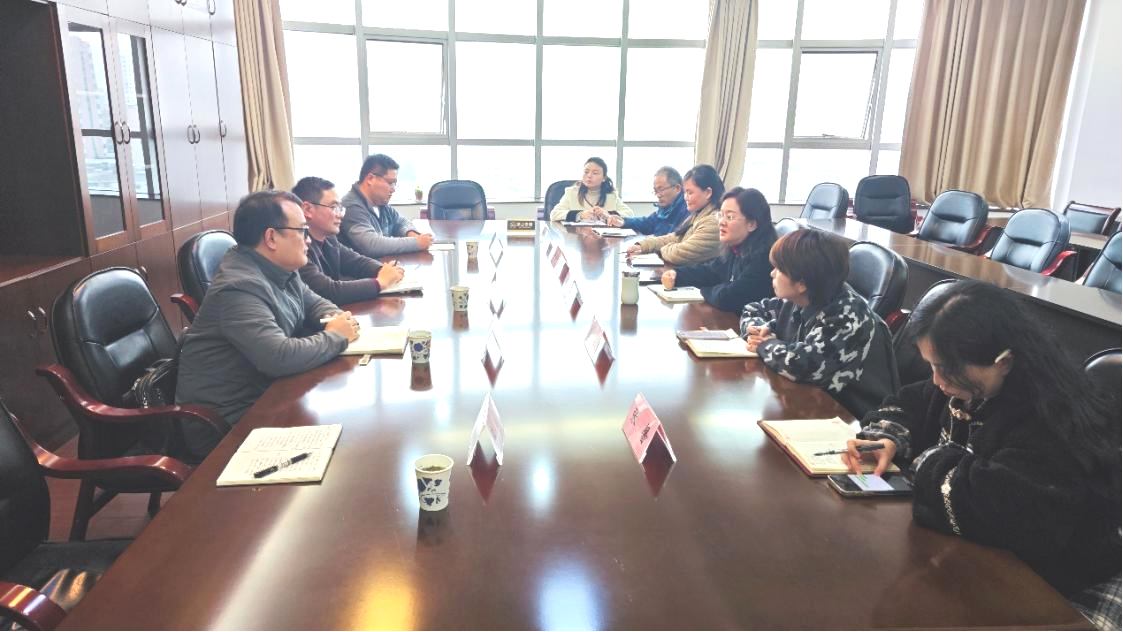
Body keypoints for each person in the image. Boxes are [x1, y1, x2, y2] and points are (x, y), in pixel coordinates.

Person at [843, 280, 1121, 631]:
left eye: (945, 368)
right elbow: (909, 402)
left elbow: (992, 509)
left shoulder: (1051, 419)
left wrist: (924, 460)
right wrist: (888, 438)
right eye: (931, 366)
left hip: (1065, 585)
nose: (937, 380)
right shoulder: (969, 382)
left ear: (1004, 362)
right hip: (992, 566)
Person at [176, 190, 360, 459]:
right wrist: (336, 336)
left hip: (270, 395)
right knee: (347, 449)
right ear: (271, 238)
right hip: (229, 425)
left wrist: (336, 320)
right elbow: (279, 357)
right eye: (302, 231)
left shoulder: (279, 267)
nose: (308, 239)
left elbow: (315, 303)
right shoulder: (239, 287)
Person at [740, 229, 895, 417]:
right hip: (812, 403)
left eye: (779, 269)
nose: (772, 273)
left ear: (802, 283)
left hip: (855, 418)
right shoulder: (798, 298)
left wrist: (765, 344)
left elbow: (803, 365)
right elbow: (753, 309)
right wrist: (757, 330)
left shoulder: (847, 314)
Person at [293, 176, 404, 305]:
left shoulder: (329, 238)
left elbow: (357, 262)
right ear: (307, 210)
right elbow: (329, 291)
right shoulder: (297, 247)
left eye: (340, 208)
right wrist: (380, 283)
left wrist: (384, 270)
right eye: (334, 207)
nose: (340, 215)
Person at [661, 187, 776, 312]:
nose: (721, 222)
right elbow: (711, 272)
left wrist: (703, 291)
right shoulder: (737, 248)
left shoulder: (764, 258)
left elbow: (728, 297)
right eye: (721, 215)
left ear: (752, 224)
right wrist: (677, 274)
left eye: (730, 217)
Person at [625, 164, 722, 266]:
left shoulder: (714, 222)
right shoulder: (698, 214)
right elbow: (675, 237)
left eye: (690, 193)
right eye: (685, 193)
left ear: (708, 193)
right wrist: (643, 246)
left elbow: (682, 253)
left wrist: (654, 251)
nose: (685, 197)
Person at [341, 153, 434, 258]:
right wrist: (416, 243)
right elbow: (371, 245)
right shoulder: (351, 207)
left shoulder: (380, 204)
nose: (393, 189)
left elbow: (400, 221)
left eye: (395, 184)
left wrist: (410, 233)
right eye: (390, 183)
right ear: (370, 179)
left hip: (382, 265)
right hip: (361, 268)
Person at [606, 166, 687, 236]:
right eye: (655, 191)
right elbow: (647, 223)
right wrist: (623, 221)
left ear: (677, 188)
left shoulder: (686, 210)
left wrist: (650, 243)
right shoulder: (665, 208)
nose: (658, 195)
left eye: (661, 189)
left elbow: (674, 240)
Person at [549, 157, 633, 222]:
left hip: (604, 237)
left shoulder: (611, 195)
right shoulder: (572, 192)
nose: (589, 175)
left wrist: (608, 214)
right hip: (577, 236)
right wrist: (580, 215)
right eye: (586, 172)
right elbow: (554, 214)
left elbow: (630, 214)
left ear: (604, 178)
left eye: (595, 173)